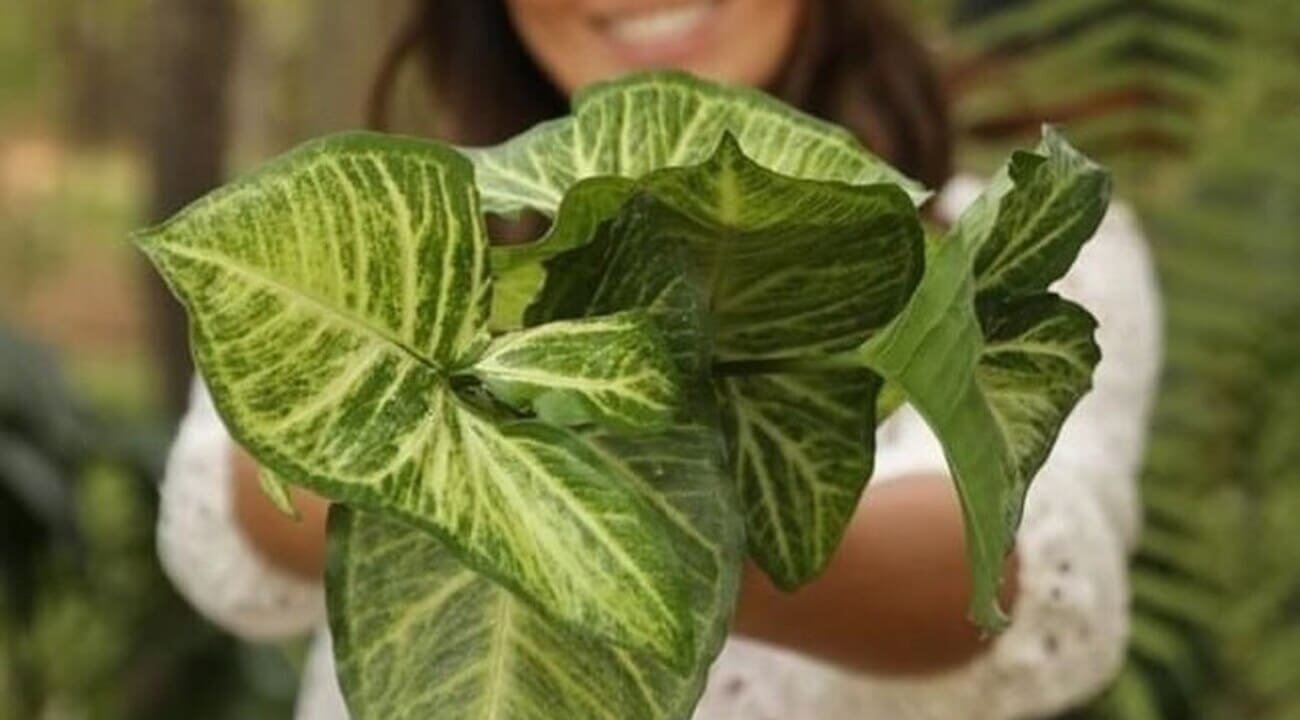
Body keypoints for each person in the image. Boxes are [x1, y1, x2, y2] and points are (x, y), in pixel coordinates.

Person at [157, 1, 1162, 718]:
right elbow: (242, 484)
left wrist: (624, 523)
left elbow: (1017, 569)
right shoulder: (427, 235)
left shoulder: (1012, 254)